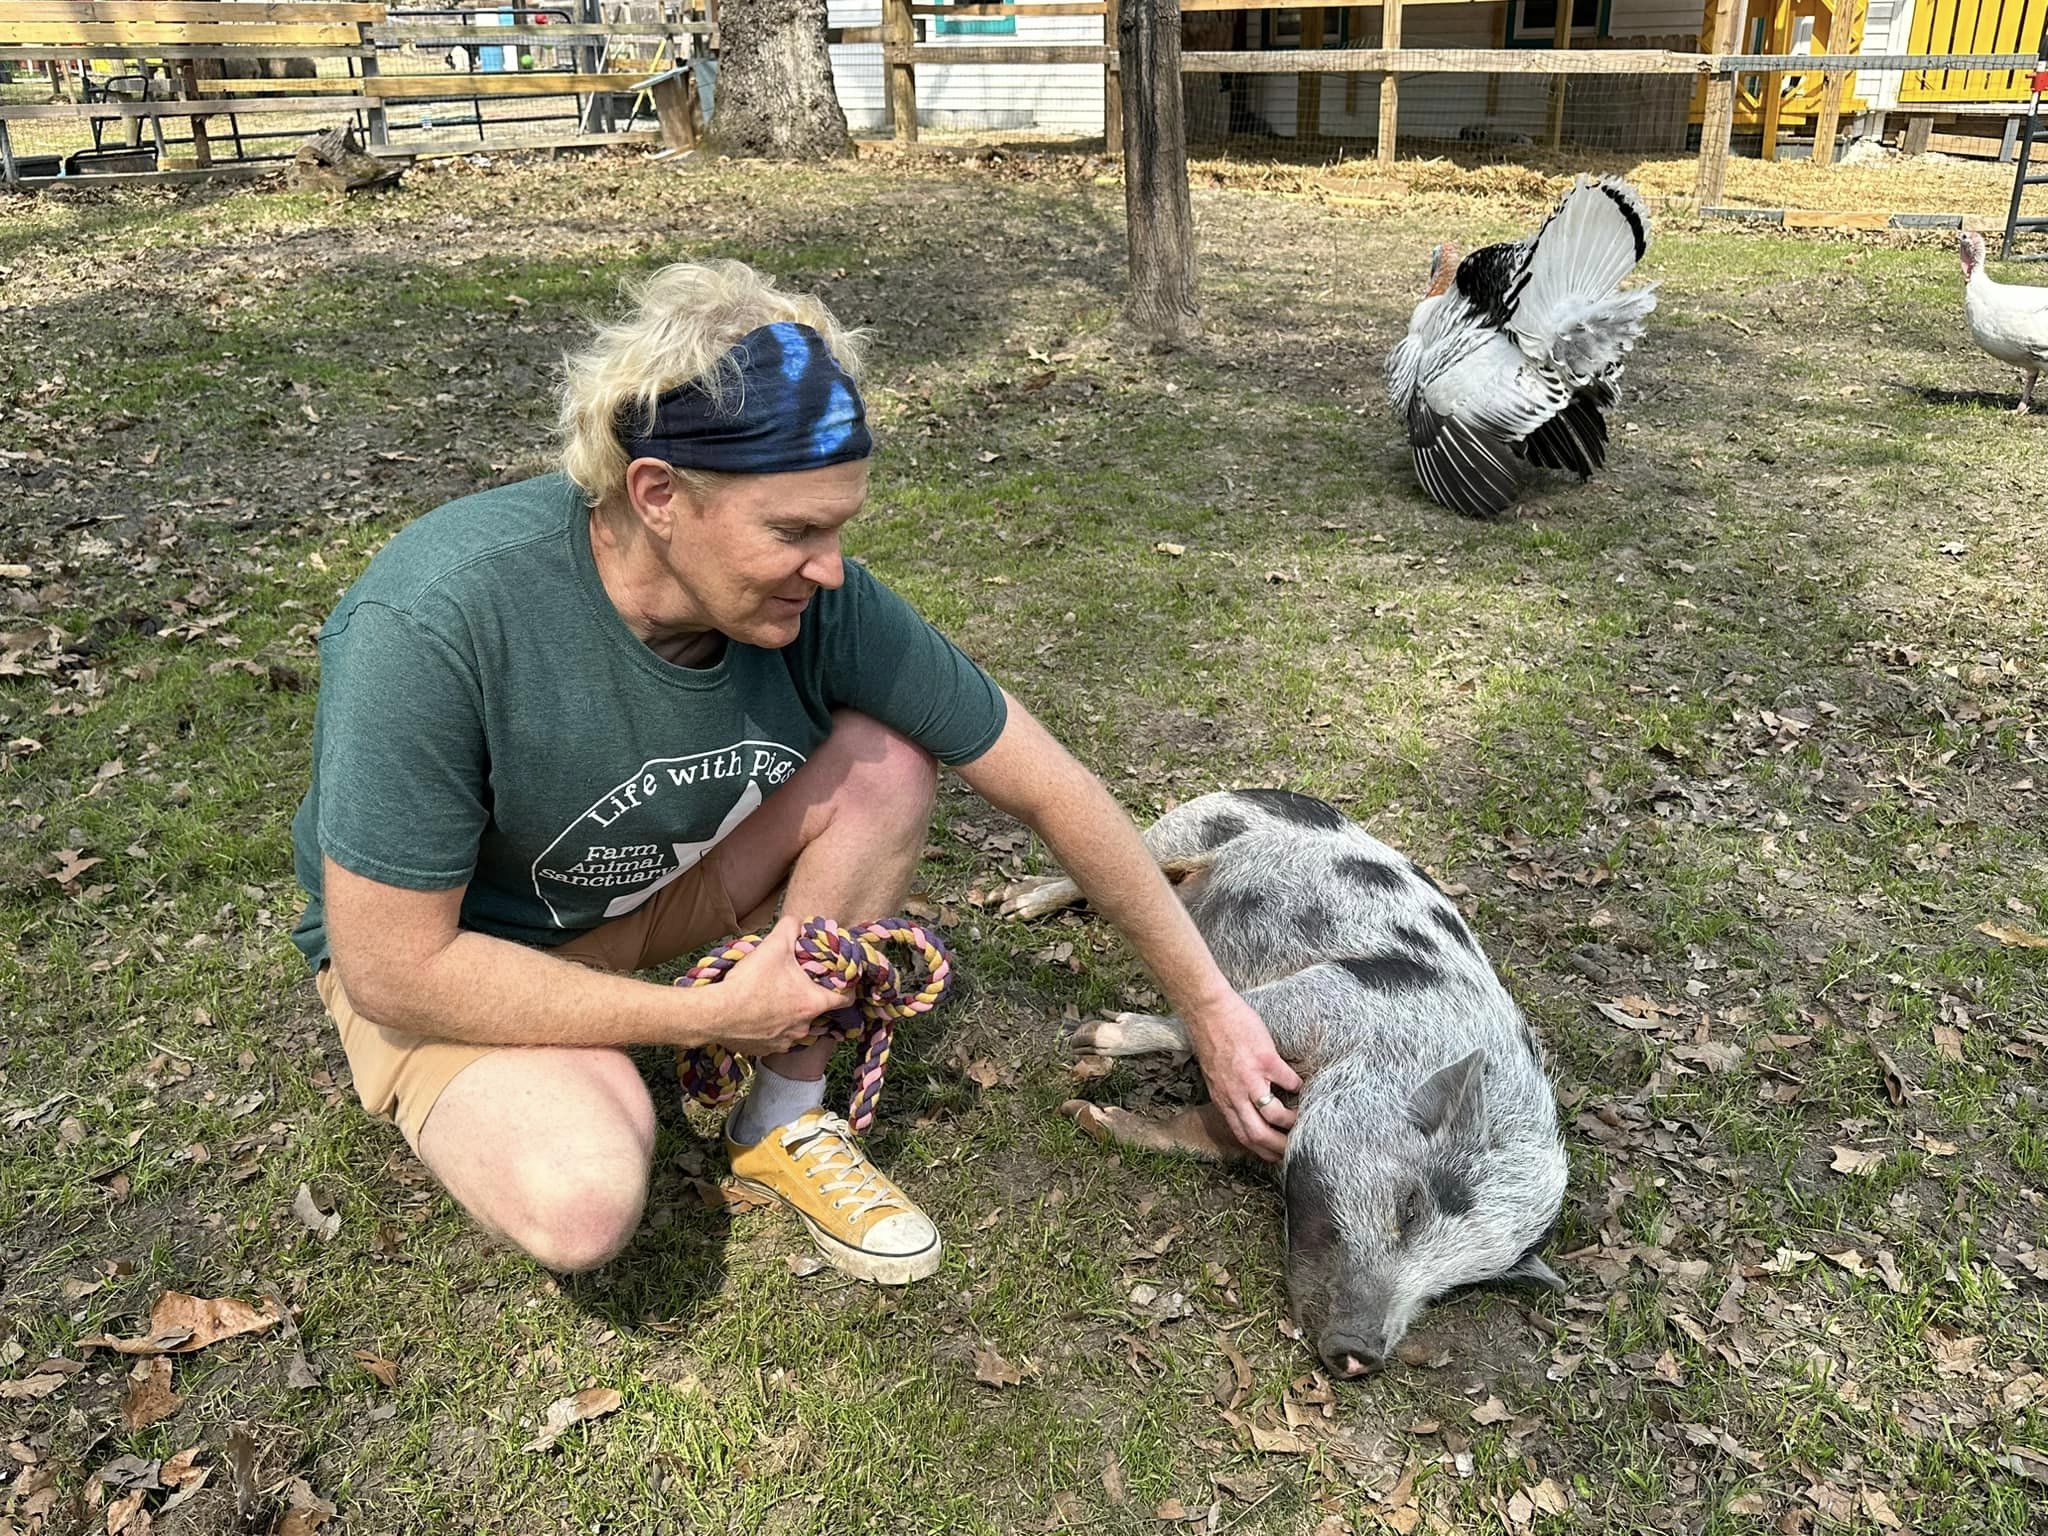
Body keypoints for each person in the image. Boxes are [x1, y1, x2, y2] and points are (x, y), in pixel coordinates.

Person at [290, 259, 1298, 1285]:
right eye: (793, 531)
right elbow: (394, 969)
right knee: (582, 1201)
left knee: (886, 767)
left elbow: (1049, 785)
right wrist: (703, 1017)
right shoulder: (434, 621)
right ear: (657, 494)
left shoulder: (819, 604)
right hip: (460, 955)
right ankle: (553, 1062)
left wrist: (1212, 1010)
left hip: (642, 899)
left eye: (839, 526)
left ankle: (781, 1115)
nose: (830, 567)